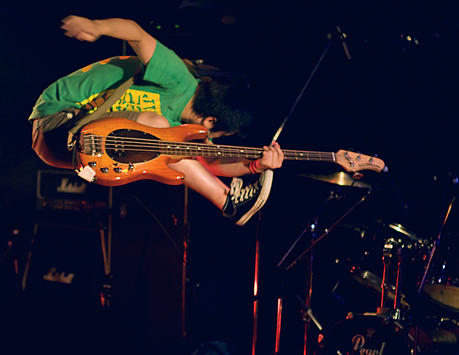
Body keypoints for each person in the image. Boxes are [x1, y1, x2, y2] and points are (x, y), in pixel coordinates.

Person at [30, 15, 284, 226]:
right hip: (56, 124)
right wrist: (98, 26)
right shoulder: (179, 79)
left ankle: (230, 204)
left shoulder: (184, 130)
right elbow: (137, 34)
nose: (209, 140)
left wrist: (256, 166)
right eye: (216, 135)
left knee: (171, 145)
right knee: (160, 128)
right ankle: (226, 200)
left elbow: (212, 164)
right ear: (209, 122)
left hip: (77, 153)